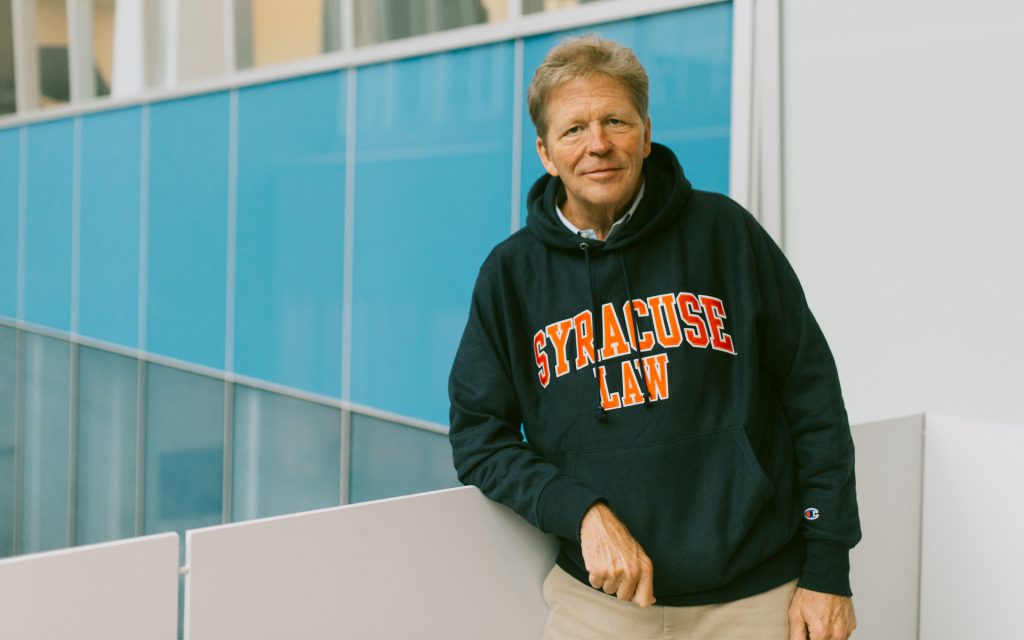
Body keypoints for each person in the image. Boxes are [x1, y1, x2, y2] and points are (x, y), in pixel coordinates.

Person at [448, 35, 860, 640]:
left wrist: (828, 568)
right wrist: (580, 510)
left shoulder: (728, 235)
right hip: (600, 606)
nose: (598, 144)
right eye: (574, 129)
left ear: (645, 133)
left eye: (616, 120)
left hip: (757, 597)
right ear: (545, 152)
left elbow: (813, 398)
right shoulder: (511, 275)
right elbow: (478, 437)